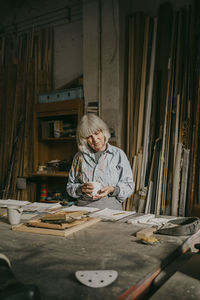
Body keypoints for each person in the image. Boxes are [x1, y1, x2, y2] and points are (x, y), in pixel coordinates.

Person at [66, 114, 135, 210]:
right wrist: (81, 189)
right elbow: (70, 186)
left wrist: (112, 189)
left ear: (103, 132)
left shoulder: (117, 155)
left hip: (111, 210)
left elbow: (128, 185)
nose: (95, 139)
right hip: (83, 210)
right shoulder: (79, 157)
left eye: (97, 133)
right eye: (89, 137)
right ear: (84, 139)